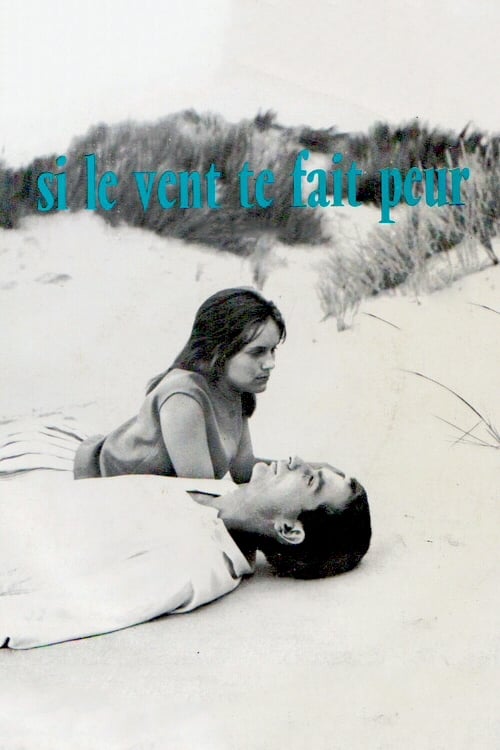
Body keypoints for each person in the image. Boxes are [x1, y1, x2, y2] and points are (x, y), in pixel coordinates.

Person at [0, 458, 371, 649]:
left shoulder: (195, 563)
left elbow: (66, 611)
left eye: (310, 479)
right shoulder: (217, 489)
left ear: (288, 530)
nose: (296, 460)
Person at [73, 287, 286, 482]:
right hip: (91, 473)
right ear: (219, 351)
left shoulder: (234, 389)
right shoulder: (184, 397)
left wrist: (298, 470)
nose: (270, 363)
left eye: (272, 350)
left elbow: (244, 469)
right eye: (257, 352)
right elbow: (203, 492)